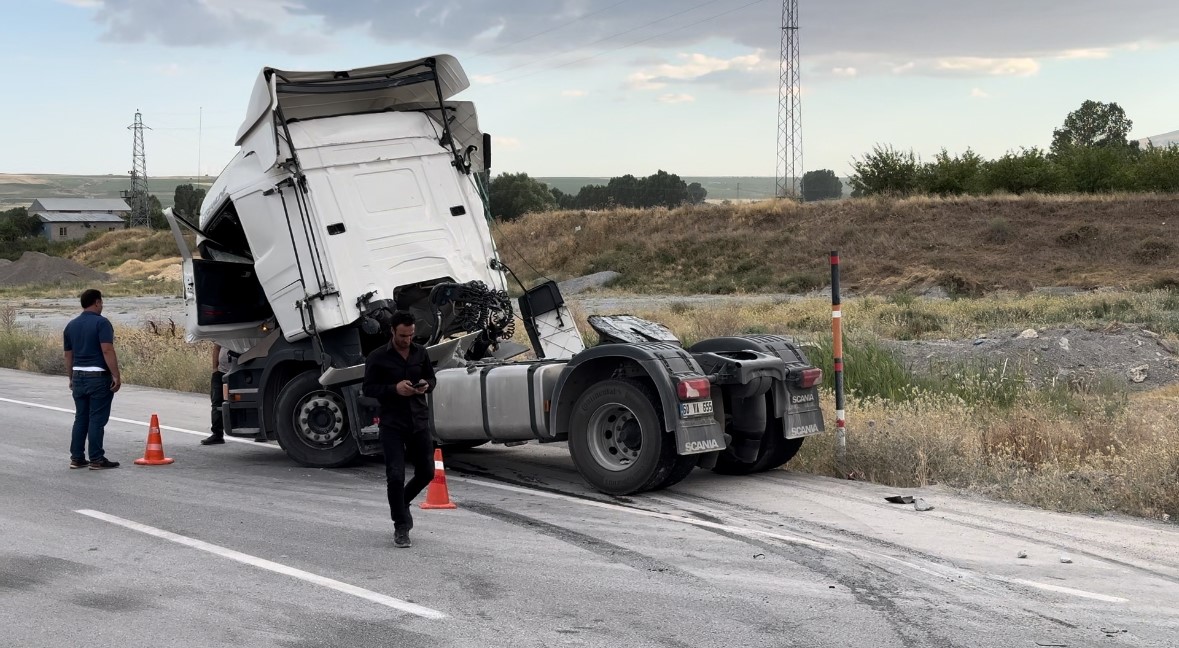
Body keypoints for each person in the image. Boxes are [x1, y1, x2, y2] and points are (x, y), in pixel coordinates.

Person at [362, 310, 437, 548]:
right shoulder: (377, 357)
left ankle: (401, 502)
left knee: (427, 473)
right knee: (395, 476)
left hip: (419, 421)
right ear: (393, 331)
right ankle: (401, 526)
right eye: (403, 335)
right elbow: (369, 389)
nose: (407, 340)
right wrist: (394, 388)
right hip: (392, 423)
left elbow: (432, 379)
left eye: (411, 335)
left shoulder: (421, 352)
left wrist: (426, 385)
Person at [63, 288, 121, 470]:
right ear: (97, 302)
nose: (101, 305)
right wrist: (116, 375)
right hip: (97, 377)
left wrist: (71, 377)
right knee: (96, 419)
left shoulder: (71, 325)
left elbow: (68, 355)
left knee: (81, 418)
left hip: (79, 375)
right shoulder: (101, 323)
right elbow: (107, 349)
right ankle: (96, 458)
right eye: (101, 302)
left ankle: (77, 458)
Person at [200, 343, 233, 445]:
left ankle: (259, 434)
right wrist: (215, 369)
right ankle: (217, 434)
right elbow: (217, 348)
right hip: (221, 372)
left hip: (238, 371)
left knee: (244, 400)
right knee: (216, 402)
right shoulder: (222, 333)